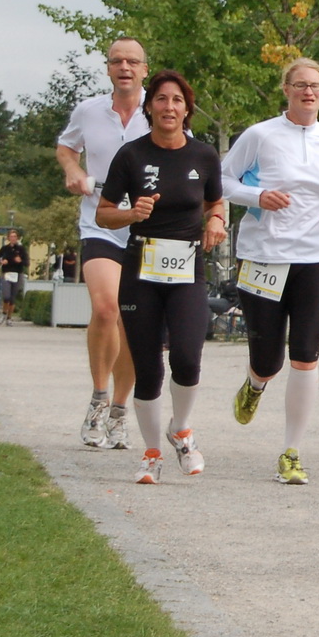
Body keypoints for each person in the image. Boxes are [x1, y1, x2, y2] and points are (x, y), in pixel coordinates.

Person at [221, 57, 319, 484]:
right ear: (286, 89)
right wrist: (257, 196)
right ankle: (255, 383)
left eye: (315, 85)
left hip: (315, 256)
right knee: (268, 358)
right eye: (299, 84)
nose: (308, 92)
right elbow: (222, 181)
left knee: (306, 354)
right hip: (263, 254)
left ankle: (291, 452)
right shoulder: (260, 136)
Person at [96, 69, 226, 485]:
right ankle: (151, 453)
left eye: (177, 101)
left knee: (187, 358)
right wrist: (131, 214)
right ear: (149, 106)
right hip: (141, 268)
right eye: (161, 100)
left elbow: (216, 200)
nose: (169, 107)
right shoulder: (131, 155)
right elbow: (103, 212)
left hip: (187, 266)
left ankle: (181, 431)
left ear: (187, 109)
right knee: (148, 366)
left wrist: (217, 221)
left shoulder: (203, 155)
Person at [57, 36, 151, 449]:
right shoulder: (89, 111)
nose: (125, 68)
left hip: (148, 230)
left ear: (145, 69)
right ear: (108, 69)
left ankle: (118, 409)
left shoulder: (160, 110)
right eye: (117, 61)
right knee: (106, 306)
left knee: (134, 322)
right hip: (100, 222)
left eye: (133, 61)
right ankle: (97, 398)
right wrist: (73, 170)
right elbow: (65, 146)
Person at [0, 229, 29, 325]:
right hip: (7, 273)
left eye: (15, 236)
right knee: (6, 296)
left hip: (18, 274)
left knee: (12, 298)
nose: (13, 238)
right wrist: (1, 261)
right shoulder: (5, 249)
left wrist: (20, 261)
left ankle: (9, 318)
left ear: (17, 238)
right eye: (11, 236)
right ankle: (4, 313)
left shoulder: (21, 249)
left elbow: (27, 263)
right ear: (8, 238)